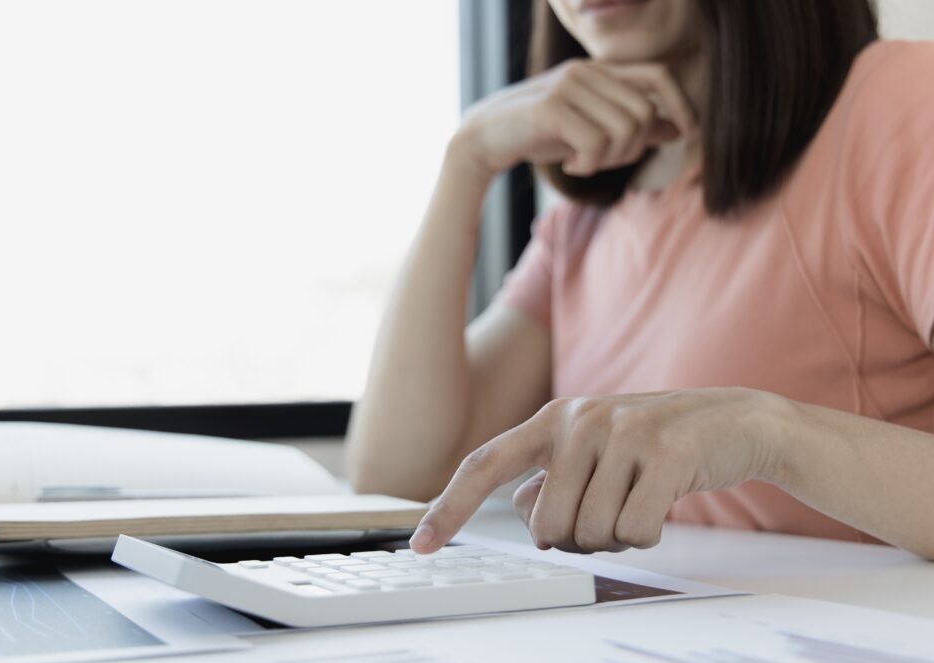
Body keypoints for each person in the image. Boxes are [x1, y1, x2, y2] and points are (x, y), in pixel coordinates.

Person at [345, 0, 934, 560]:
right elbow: (400, 479)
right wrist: (467, 160)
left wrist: (769, 434)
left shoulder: (905, 101)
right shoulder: (587, 220)